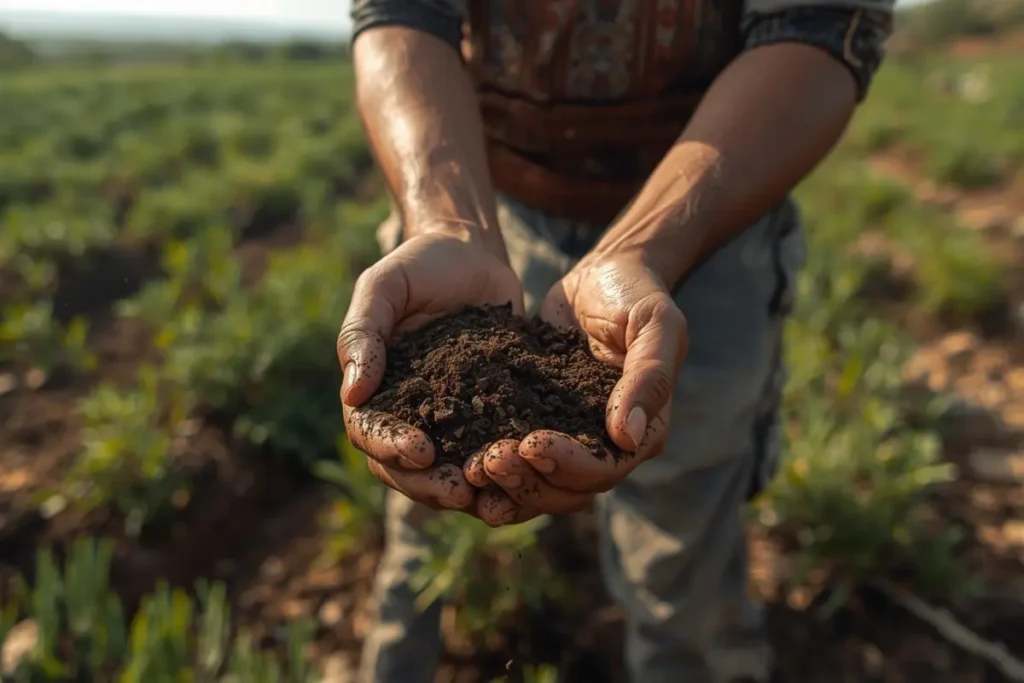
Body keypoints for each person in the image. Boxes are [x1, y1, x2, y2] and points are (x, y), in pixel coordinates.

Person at [337, 1, 894, 681]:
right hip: (481, 192)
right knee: (426, 483)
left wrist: (642, 249)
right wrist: (447, 223)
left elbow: (816, 27)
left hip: (715, 207)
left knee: (681, 531)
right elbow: (402, 11)